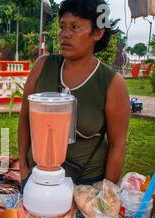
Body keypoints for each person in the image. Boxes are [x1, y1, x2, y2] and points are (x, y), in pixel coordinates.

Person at [19, 0, 130, 189]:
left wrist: (105, 193)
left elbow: (117, 145)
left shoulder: (111, 83)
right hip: (38, 178)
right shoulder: (42, 67)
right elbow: (24, 120)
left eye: (75, 27)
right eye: (62, 27)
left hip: (85, 185)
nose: (65, 34)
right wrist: (23, 169)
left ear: (97, 32)